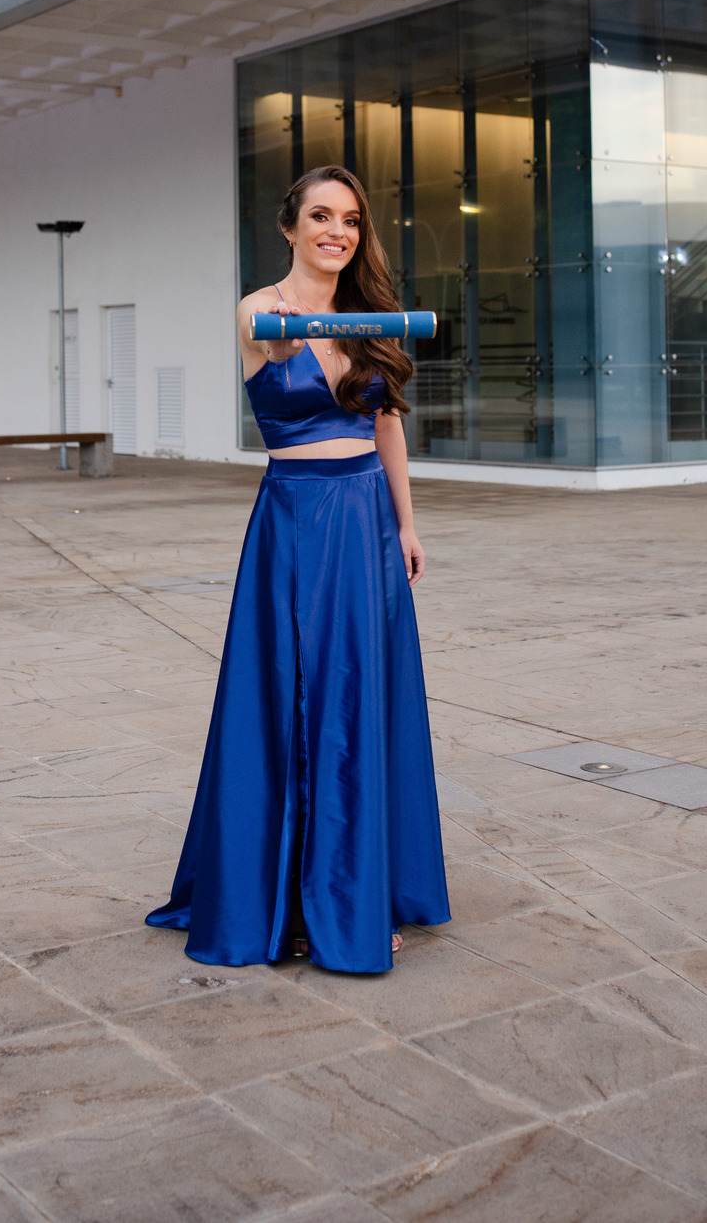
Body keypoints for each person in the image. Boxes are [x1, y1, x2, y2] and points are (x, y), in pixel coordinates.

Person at [146, 165, 449, 974]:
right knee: (293, 701)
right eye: (320, 216)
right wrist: (291, 332)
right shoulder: (259, 309)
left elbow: (387, 426)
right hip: (295, 523)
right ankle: (298, 901)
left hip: (367, 522)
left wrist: (407, 523)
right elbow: (270, 338)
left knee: (358, 699)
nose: (336, 232)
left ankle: (356, 890)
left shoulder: (371, 318)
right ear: (290, 226)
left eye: (350, 220)